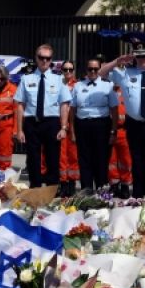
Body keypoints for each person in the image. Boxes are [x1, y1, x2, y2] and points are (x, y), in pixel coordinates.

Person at [99, 42, 145, 199]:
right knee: (137, 161)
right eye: (138, 56)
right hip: (134, 124)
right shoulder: (126, 73)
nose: (141, 59)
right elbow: (101, 73)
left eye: (144, 56)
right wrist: (117, 61)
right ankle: (138, 196)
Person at [13, 44, 71, 188]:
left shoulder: (59, 79)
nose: (44, 61)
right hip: (32, 122)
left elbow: (64, 105)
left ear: (51, 60)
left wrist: (63, 127)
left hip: (51, 123)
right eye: (41, 58)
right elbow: (20, 105)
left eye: (48, 58)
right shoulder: (26, 79)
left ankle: (52, 189)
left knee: (53, 157)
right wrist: (19, 130)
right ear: (36, 58)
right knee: (33, 158)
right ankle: (35, 187)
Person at [70, 58, 116, 192]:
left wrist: (113, 131)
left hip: (101, 125)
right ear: (86, 70)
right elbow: (72, 110)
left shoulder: (108, 86)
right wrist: (72, 131)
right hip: (82, 125)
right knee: (84, 160)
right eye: (90, 69)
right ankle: (86, 191)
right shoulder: (78, 86)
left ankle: (102, 191)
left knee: (101, 159)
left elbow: (114, 109)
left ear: (99, 69)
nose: (93, 72)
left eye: (96, 69)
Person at [59, 61, 80, 196]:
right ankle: (62, 183)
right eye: (65, 70)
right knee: (61, 155)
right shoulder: (58, 85)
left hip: (73, 124)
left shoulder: (78, 85)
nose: (68, 72)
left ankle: (71, 184)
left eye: (70, 70)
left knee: (73, 155)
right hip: (60, 123)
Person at [108, 94, 133, 198]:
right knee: (111, 160)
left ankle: (125, 185)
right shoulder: (107, 90)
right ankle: (114, 185)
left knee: (126, 160)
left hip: (124, 130)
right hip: (110, 130)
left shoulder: (127, 91)